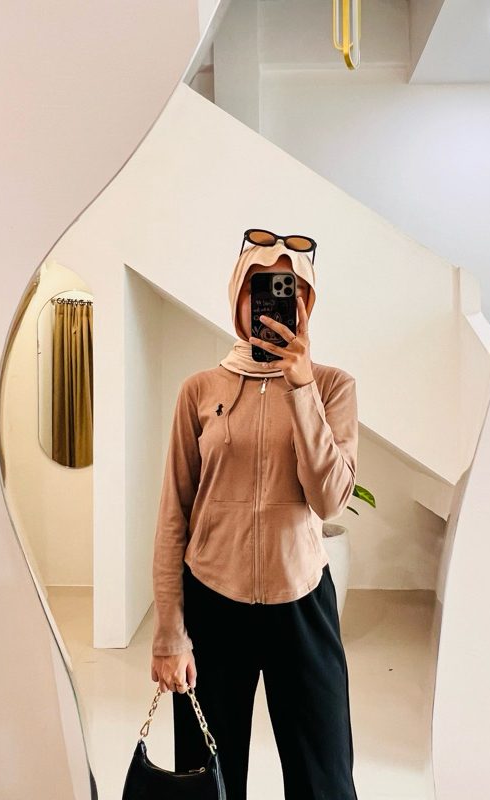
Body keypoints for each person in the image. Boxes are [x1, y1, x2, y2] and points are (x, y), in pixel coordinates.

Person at [150, 234, 359, 800]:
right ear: (237, 297)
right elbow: (173, 515)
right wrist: (169, 634)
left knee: (325, 781)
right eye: (258, 287)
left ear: (306, 304)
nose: (272, 303)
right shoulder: (199, 390)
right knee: (209, 782)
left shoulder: (333, 387)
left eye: (288, 291)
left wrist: (302, 386)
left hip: (302, 601)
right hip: (213, 603)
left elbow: (331, 499)